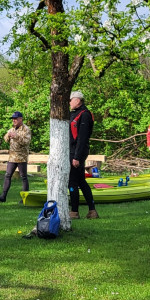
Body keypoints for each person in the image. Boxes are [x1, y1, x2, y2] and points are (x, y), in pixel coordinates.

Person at [68, 91, 97, 219]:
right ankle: (92, 211)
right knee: (81, 181)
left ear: (78, 100)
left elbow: (83, 137)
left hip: (77, 151)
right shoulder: (74, 113)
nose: (69, 102)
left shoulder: (84, 115)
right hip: (72, 150)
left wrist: (77, 157)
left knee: (72, 182)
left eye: (71, 100)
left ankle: (74, 212)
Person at [0, 111, 30, 202]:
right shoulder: (12, 129)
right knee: (7, 175)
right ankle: (3, 196)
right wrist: (8, 136)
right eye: (13, 119)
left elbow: (27, 142)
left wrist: (17, 136)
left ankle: (24, 198)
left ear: (20, 119)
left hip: (21, 157)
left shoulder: (26, 129)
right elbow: (5, 139)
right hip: (12, 157)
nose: (14, 120)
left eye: (15, 119)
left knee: (23, 177)